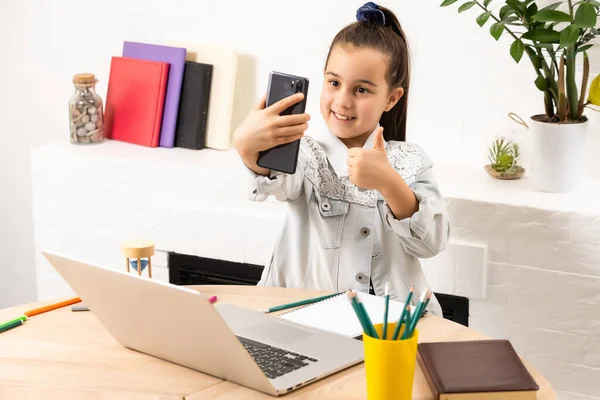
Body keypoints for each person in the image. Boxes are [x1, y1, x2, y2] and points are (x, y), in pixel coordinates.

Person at [233, 2, 449, 316]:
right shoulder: (304, 153)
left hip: (393, 327)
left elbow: (430, 243)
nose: (343, 101)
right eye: (334, 83)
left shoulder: (411, 160)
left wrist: (389, 183)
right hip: (308, 320)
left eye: (361, 89)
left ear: (391, 98)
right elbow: (278, 182)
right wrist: (248, 149)